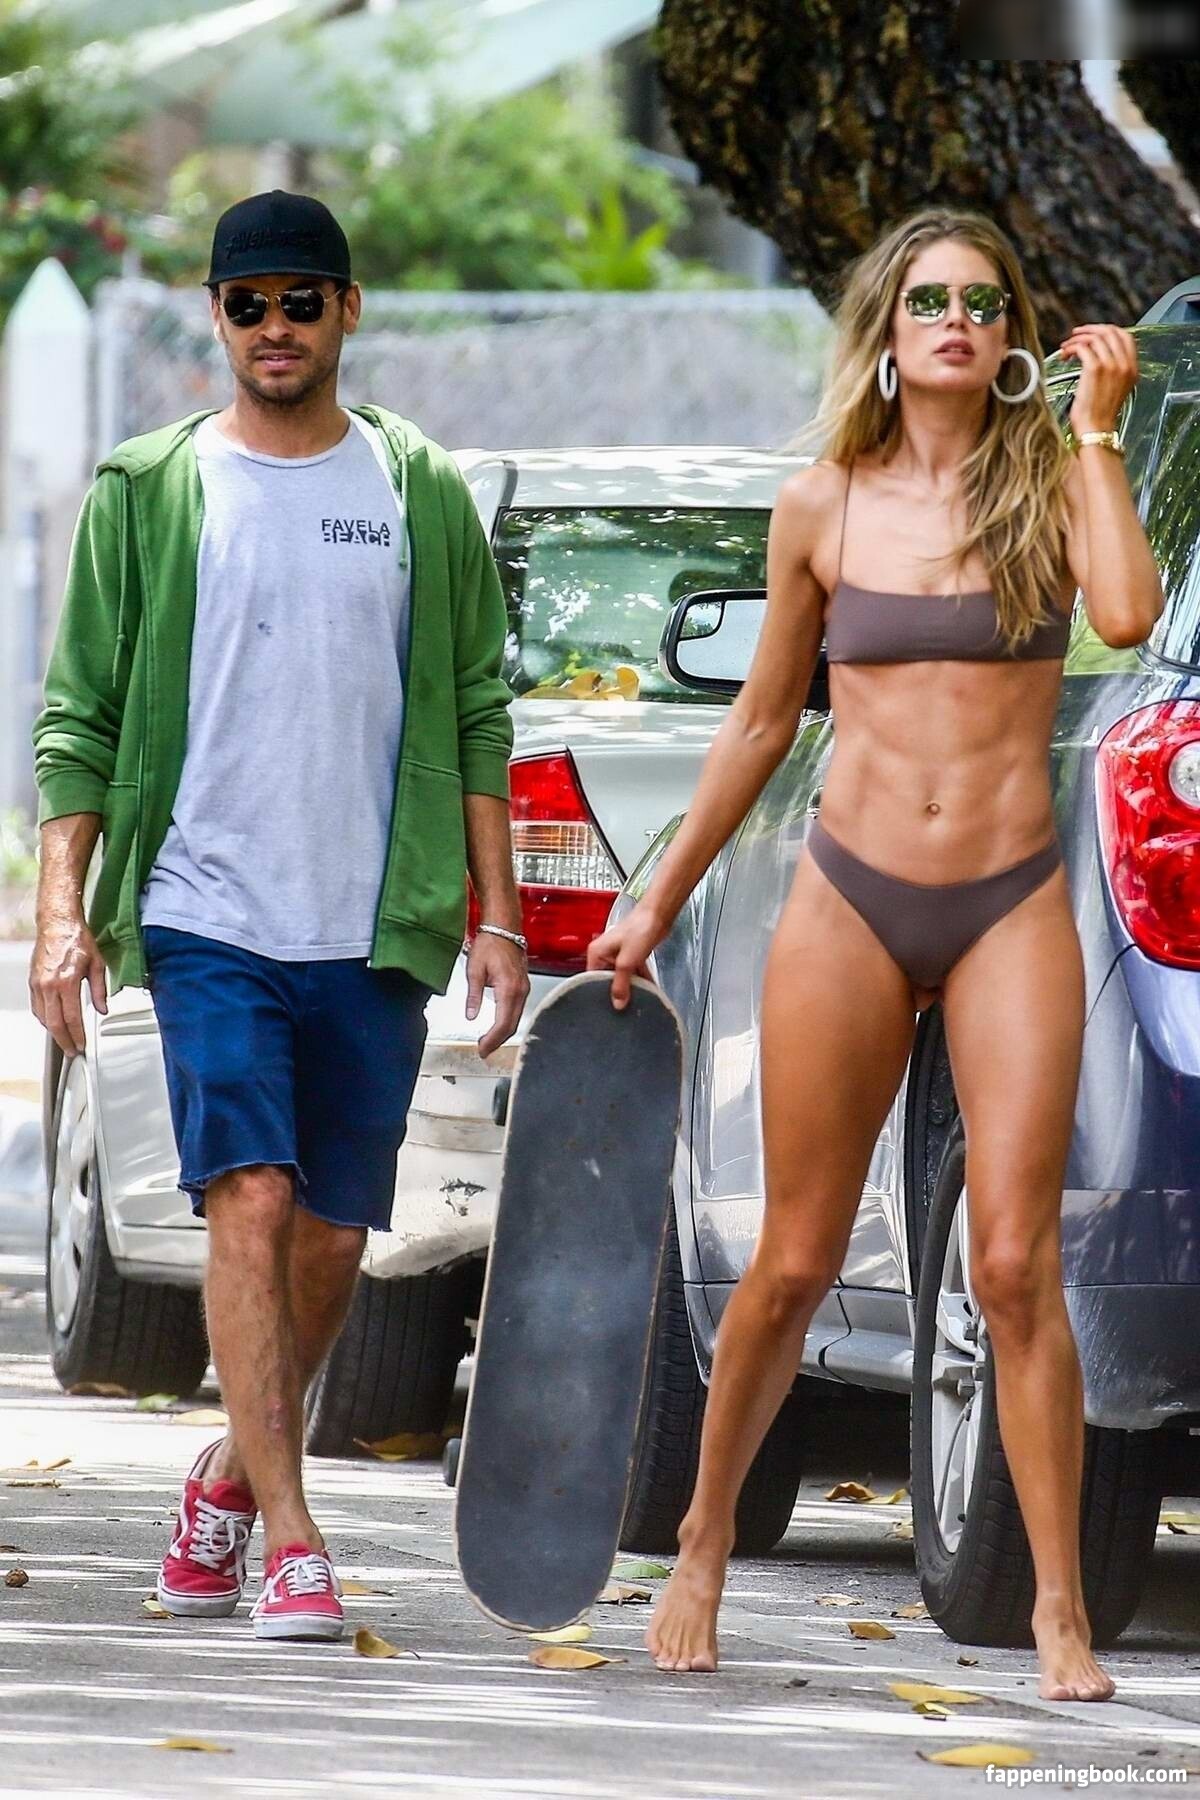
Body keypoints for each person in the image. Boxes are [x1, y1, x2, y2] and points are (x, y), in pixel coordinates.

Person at [588, 207, 1163, 1701]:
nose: (957, 321)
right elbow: (760, 722)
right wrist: (657, 897)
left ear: (1012, 336)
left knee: (1016, 1264)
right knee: (791, 1258)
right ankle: (703, 1541)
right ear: (888, 338)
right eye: (929, 302)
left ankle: (1058, 1610)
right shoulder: (822, 506)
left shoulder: (1051, 486)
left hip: (1007, 903)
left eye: (983, 301)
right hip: (847, 898)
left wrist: (1100, 431)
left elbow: (1125, 613)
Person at [29, 190, 529, 1641]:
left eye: (301, 300)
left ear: (347, 311)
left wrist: (497, 915)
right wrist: (62, 913)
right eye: (247, 304)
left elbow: (477, 711)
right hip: (206, 910)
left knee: (331, 1241)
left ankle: (223, 1484)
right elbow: (78, 721)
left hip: (372, 921)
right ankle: (296, 1540)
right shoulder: (151, 490)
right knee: (245, 1195)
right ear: (216, 317)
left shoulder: (417, 489)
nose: (274, 327)